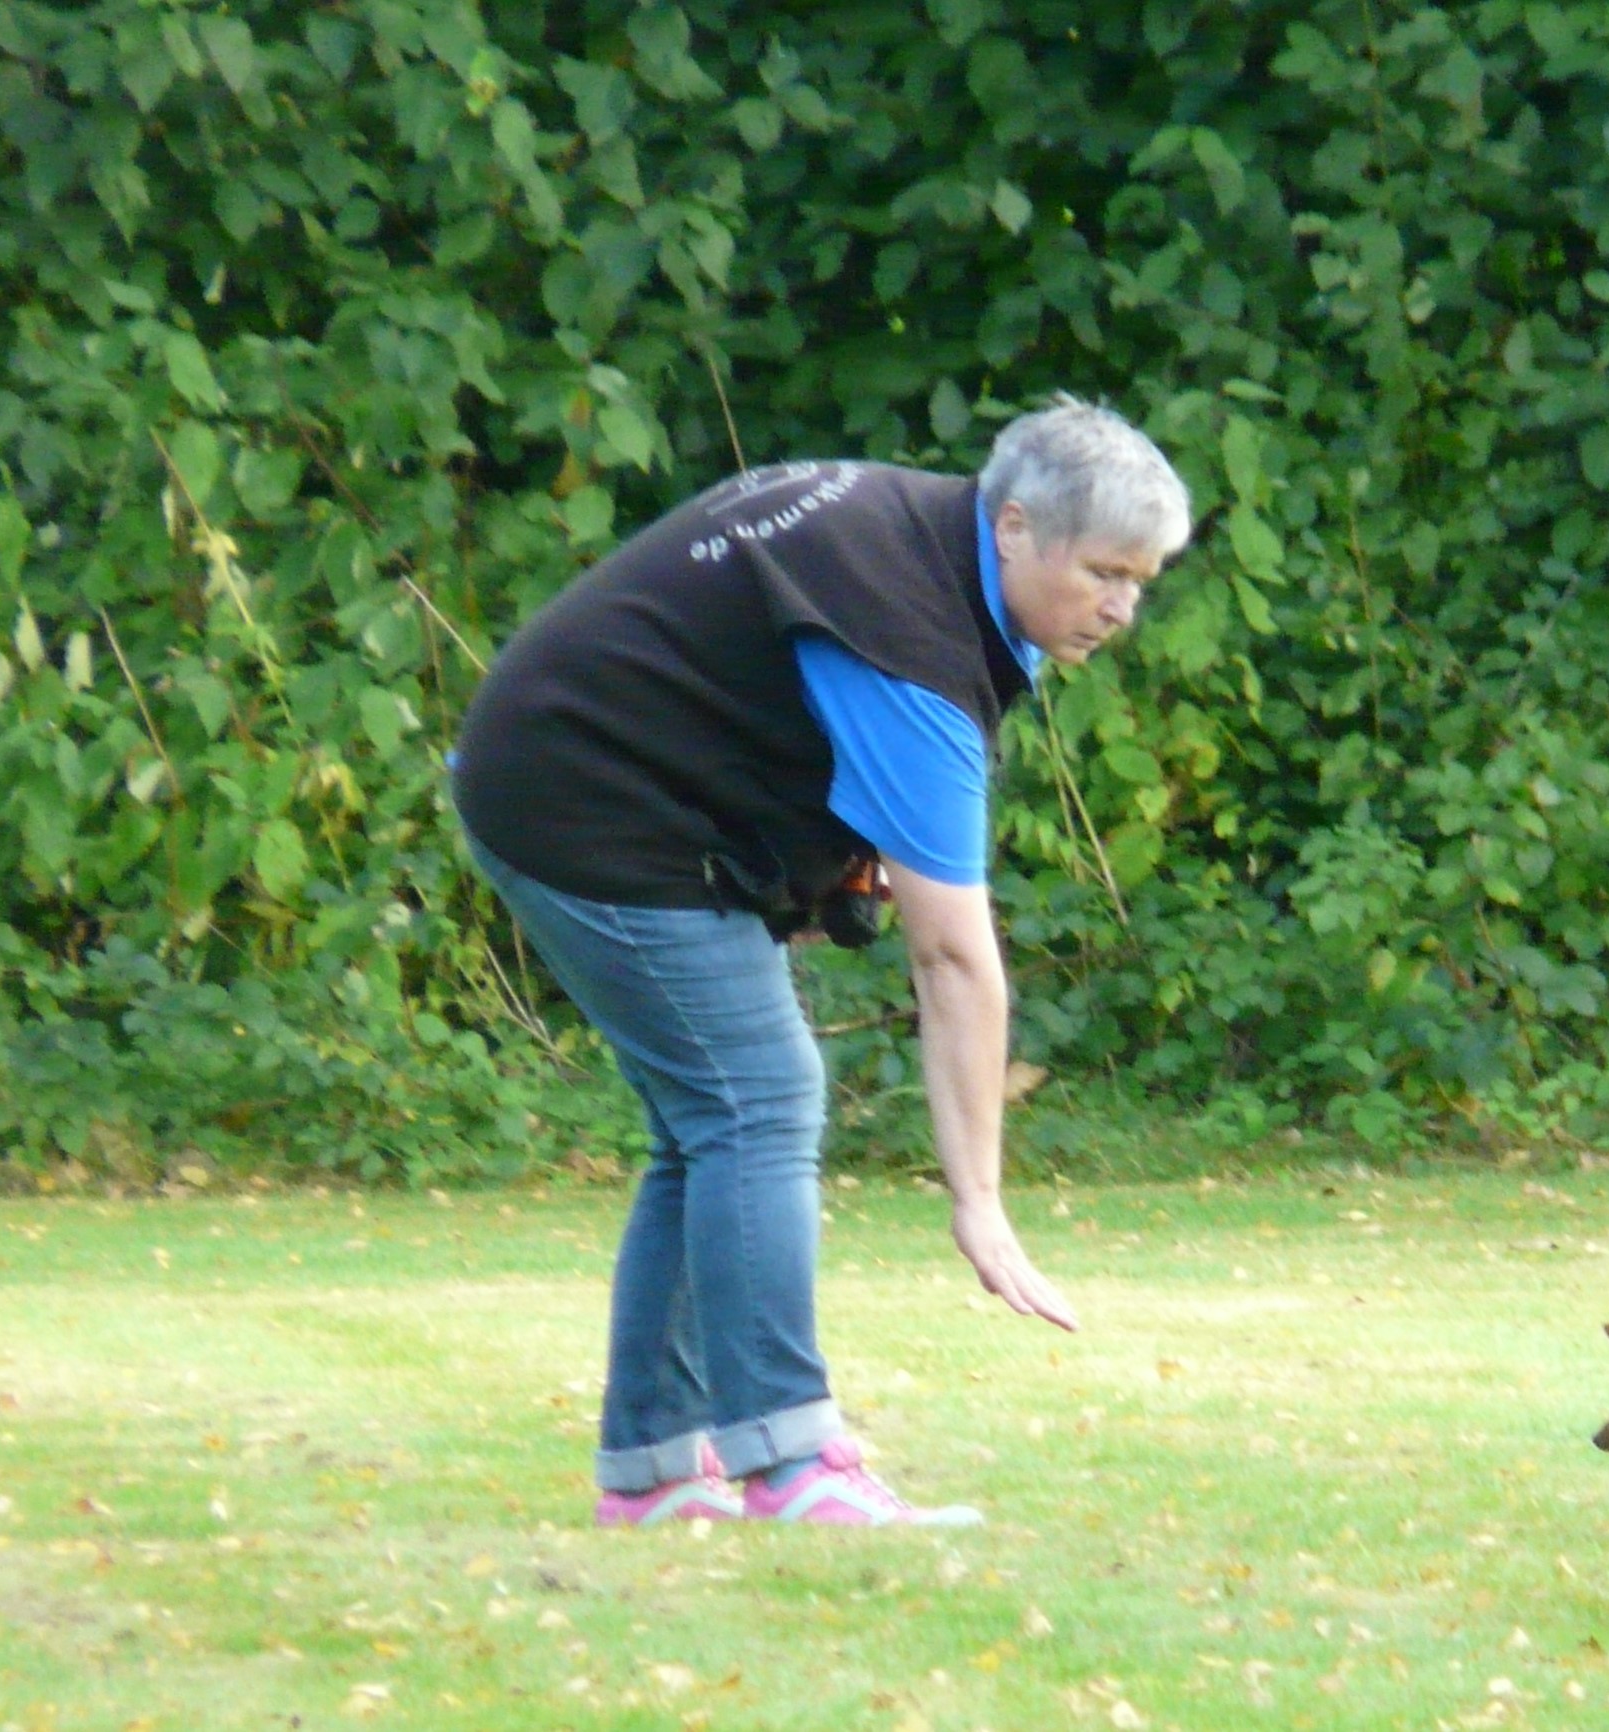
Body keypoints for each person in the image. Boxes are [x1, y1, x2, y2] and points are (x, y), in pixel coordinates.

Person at [449, 397, 1191, 1526]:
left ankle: (652, 1474)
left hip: (558, 771)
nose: (1120, 608)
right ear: (1013, 526)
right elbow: (950, 957)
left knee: (710, 1121)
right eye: (1101, 572)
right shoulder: (904, 629)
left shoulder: (918, 547)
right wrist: (978, 1200)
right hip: (576, 797)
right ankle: (790, 1463)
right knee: (757, 1097)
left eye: (1139, 580)